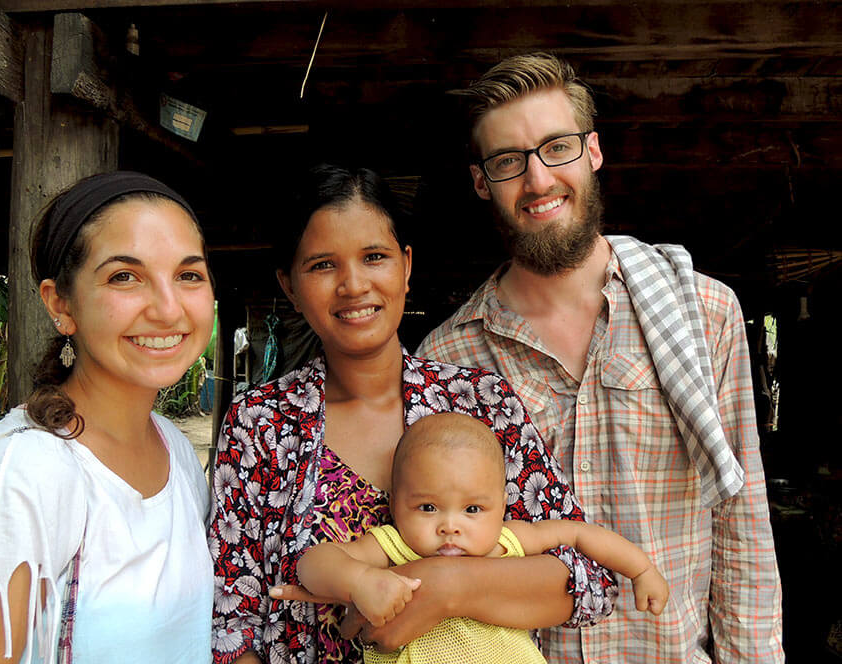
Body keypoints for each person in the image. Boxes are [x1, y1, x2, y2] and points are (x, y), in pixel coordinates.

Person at [417, 53, 784, 663]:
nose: (537, 181)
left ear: (593, 151)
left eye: (556, 147)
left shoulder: (703, 313)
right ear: (482, 182)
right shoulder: (449, 357)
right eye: (508, 161)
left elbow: (741, 523)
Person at [208, 164, 617, 664]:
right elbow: (232, 623)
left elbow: (587, 579)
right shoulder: (260, 425)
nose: (354, 285)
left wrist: (449, 586)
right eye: (321, 265)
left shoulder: (482, 402)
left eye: (374, 257)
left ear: (405, 266)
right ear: (289, 286)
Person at [0, 171, 216, 664]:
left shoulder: (175, 451)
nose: (167, 308)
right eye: (125, 276)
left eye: (188, 275)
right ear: (61, 304)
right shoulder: (22, 475)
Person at [297, 412, 669, 664]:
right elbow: (313, 562)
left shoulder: (507, 541)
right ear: (395, 504)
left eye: (472, 510)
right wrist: (360, 580)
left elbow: (579, 533)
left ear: (502, 505)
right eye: (428, 508)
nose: (450, 526)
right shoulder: (393, 545)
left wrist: (641, 570)